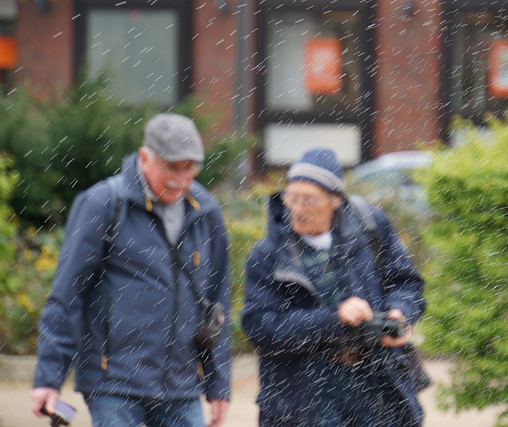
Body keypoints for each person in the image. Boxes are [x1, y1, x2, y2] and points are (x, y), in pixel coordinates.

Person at [30, 113, 231, 427]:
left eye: (189, 167)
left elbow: (217, 304)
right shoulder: (102, 204)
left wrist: (219, 384)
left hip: (181, 386)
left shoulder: (206, 211)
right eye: (170, 167)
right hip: (114, 384)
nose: (181, 178)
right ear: (144, 158)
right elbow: (67, 295)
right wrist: (48, 378)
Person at [242, 148, 426, 426]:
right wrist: (334, 317)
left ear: (336, 200)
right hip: (304, 394)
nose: (297, 209)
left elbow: (406, 283)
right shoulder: (267, 254)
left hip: (374, 384)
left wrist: (400, 313)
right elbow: (261, 329)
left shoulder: (371, 227)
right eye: (291, 197)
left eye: (309, 200)